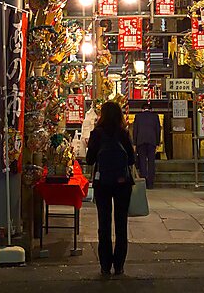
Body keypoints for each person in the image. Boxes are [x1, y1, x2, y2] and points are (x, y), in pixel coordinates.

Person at [85, 101, 135, 277]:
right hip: (123, 183)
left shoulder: (96, 134)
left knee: (103, 224)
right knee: (121, 224)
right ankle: (119, 265)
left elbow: (90, 160)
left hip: (102, 183)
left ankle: (105, 265)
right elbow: (131, 159)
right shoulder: (123, 133)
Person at [133, 100, 161, 189]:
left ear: (142, 109)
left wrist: (134, 143)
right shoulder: (155, 116)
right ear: (150, 109)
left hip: (140, 141)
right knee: (151, 162)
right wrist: (157, 142)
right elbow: (158, 130)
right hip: (152, 141)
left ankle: (144, 180)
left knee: (142, 161)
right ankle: (150, 183)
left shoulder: (138, 116)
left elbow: (135, 130)